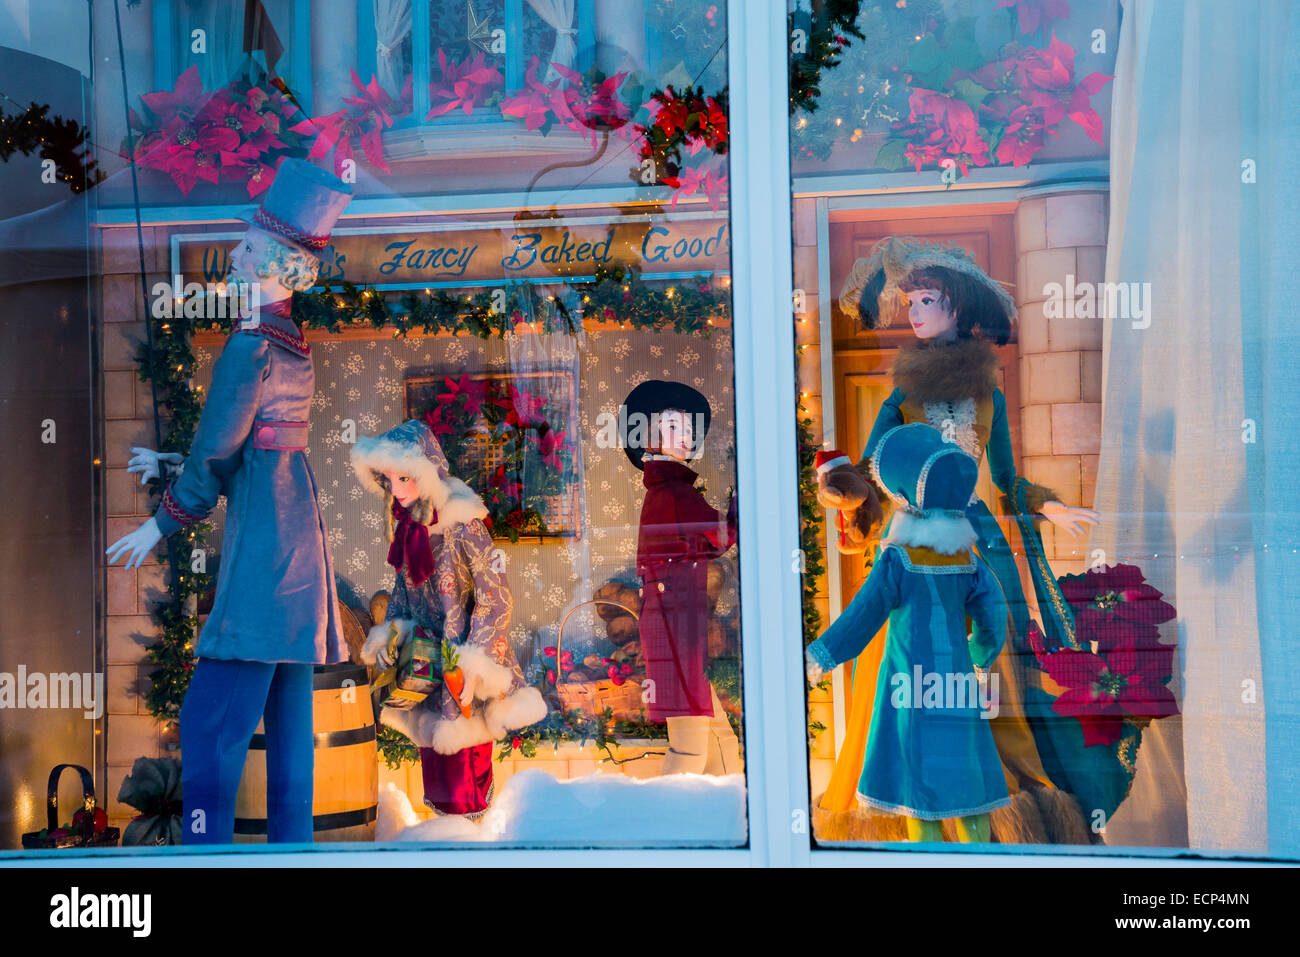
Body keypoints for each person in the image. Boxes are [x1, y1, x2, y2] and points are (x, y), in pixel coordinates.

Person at [818, 236, 1104, 842]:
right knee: (902, 675)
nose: (915, 311)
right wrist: (848, 495)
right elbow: (872, 470)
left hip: (979, 544)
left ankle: (991, 805)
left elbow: (1003, 477)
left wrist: (1046, 507)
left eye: (928, 299)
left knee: (987, 670)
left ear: (959, 307)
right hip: (915, 543)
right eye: (911, 300)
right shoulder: (903, 396)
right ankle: (910, 807)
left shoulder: (989, 395)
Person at [105, 158, 353, 844]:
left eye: (248, 244)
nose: (236, 254)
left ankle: (205, 850)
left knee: (209, 721)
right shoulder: (290, 346)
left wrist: (160, 524)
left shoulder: (249, 350)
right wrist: (172, 461)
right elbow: (251, 444)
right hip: (296, 535)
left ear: (272, 258)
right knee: (289, 718)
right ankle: (291, 852)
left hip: (267, 549)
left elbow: (220, 455)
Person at [806, 423, 1009, 842]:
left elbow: (864, 613)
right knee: (965, 777)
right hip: (954, 683)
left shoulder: (898, 558)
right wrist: (979, 652)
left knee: (917, 786)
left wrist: (821, 656)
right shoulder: (965, 557)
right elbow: (994, 612)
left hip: (910, 685)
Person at [352, 419, 546, 818]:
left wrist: (474, 661)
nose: (397, 489)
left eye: (405, 478)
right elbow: (404, 595)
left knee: (464, 771)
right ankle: (446, 840)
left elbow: (497, 596)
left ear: (428, 472)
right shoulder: (411, 530)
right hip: (427, 666)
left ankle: (469, 843)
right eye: (390, 480)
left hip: (461, 668)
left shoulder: (464, 527)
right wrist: (390, 638)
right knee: (437, 772)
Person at [622, 380, 741, 775]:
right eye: (674, 426)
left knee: (714, 735)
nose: (686, 435)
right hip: (677, 630)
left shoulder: (666, 490)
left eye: (688, 428)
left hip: (673, 626)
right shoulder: (673, 492)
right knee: (690, 746)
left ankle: (730, 811)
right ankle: (671, 824)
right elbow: (722, 536)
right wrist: (743, 500)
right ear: (647, 437)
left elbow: (707, 544)